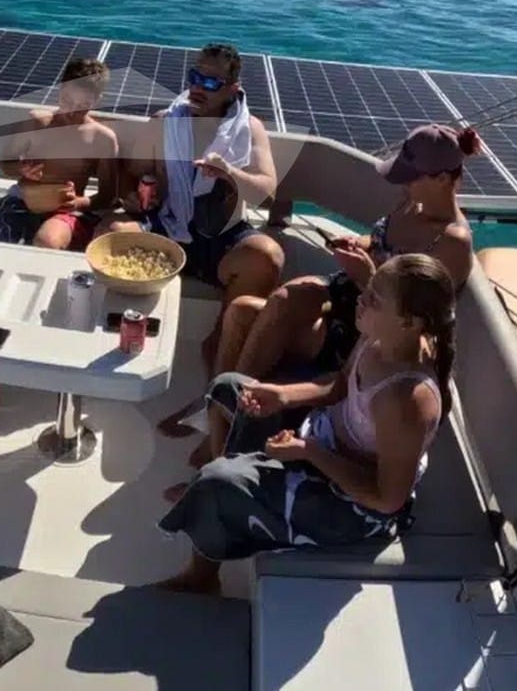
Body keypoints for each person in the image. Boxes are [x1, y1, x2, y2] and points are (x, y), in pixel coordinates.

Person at [176, 124, 478, 464]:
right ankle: (221, 405)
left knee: (247, 313)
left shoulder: (452, 242)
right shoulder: (411, 202)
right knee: (258, 305)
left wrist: (369, 278)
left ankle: (229, 421)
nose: (403, 183)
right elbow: (377, 242)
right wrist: (357, 245)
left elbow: (415, 319)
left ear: (441, 179)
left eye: (411, 176)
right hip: (350, 295)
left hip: (372, 328)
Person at [156, 253, 456, 594]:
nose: (361, 300)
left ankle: (202, 575)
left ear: (410, 323)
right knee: (230, 388)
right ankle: (231, 492)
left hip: (354, 506)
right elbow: (341, 384)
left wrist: (308, 452)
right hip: (323, 442)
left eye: (374, 299)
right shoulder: (379, 337)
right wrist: (285, 395)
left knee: (215, 483)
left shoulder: (405, 400)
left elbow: (386, 499)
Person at [104, 42, 285, 301]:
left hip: (221, 235)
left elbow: (266, 195)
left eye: (211, 83)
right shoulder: (164, 122)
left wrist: (229, 173)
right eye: (195, 78)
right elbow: (132, 173)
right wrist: (131, 196)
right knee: (112, 234)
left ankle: (223, 333)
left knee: (267, 255)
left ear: (232, 89)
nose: (199, 87)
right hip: (165, 223)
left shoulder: (249, 129)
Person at [0, 57, 119, 250]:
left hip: (66, 210)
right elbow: (4, 165)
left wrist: (78, 202)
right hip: (24, 200)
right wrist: (21, 170)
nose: (72, 110)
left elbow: (109, 196)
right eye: (67, 100)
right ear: (60, 89)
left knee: (47, 241)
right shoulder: (35, 123)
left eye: (82, 105)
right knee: (0, 246)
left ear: (96, 101)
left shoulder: (103, 139)